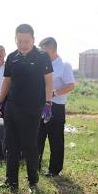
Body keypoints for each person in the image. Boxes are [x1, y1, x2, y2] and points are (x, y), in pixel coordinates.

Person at [0, 24, 54, 193]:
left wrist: (48, 103)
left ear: (33, 40)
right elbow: (7, 81)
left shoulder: (42, 57)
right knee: (10, 145)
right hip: (12, 108)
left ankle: (33, 182)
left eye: (26, 41)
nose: (23, 44)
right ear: (15, 40)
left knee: (29, 146)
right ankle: (11, 182)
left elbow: (49, 81)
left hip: (33, 109)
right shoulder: (12, 57)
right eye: (19, 41)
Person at [37, 37, 75, 177]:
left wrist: (54, 93)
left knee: (55, 139)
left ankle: (54, 170)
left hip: (56, 107)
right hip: (41, 106)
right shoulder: (42, 65)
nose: (42, 54)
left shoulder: (64, 65)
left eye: (44, 51)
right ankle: (36, 166)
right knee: (38, 137)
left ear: (52, 49)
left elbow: (71, 85)